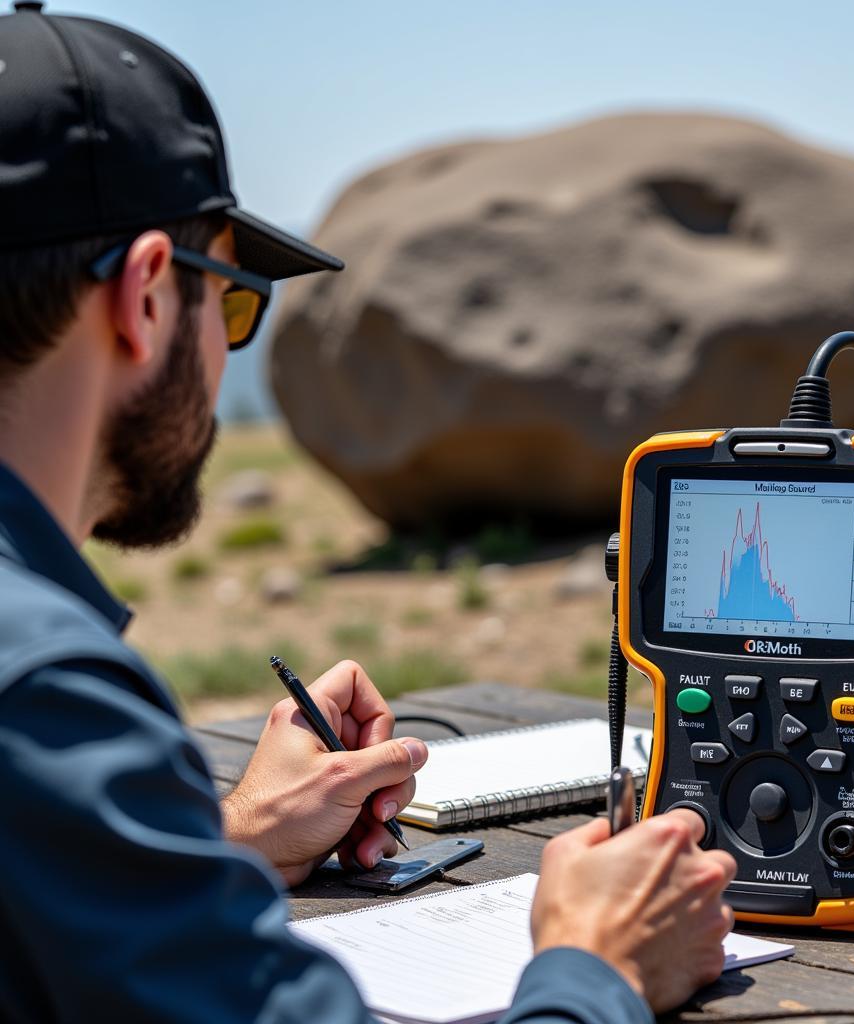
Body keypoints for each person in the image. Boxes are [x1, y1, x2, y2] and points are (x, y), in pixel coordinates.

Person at [0, 4, 736, 1022]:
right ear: (149, 298)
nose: (225, 355)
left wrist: (227, 840)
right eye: (238, 302)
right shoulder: (42, 697)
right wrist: (596, 965)